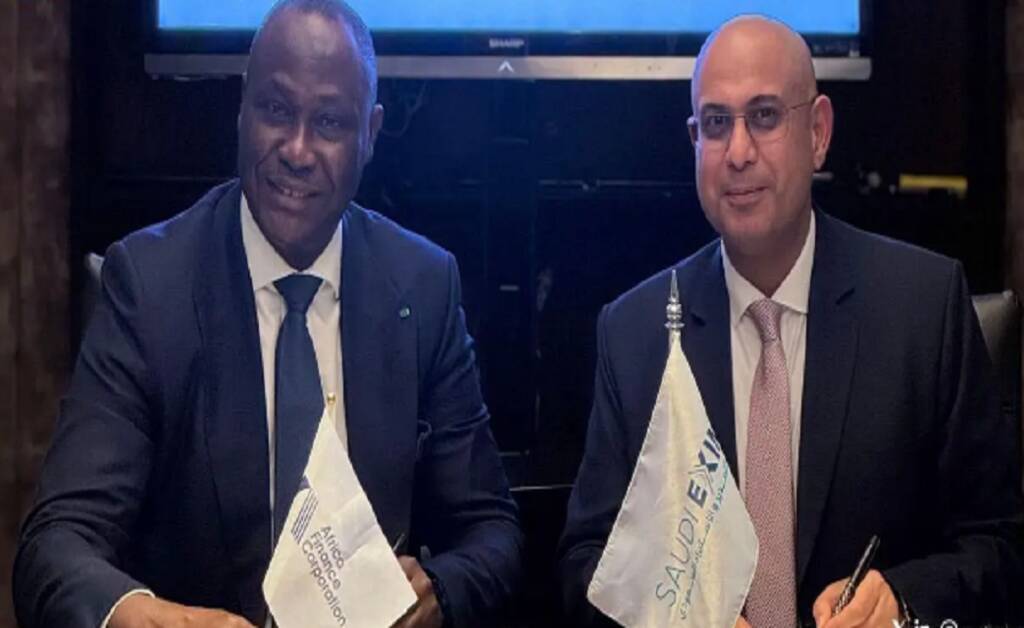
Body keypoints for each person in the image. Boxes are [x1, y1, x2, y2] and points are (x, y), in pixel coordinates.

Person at [13, 2, 522, 627]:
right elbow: (55, 547)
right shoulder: (150, 286)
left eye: (329, 122)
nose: (297, 150)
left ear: (370, 134)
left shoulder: (422, 284)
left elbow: (492, 532)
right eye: (277, 111)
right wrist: (155, 619)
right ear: (242, 108)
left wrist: (438, 590)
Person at [558, 15, 1023, 628]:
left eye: (765, 116)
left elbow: (1002, 548)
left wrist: (904, 601)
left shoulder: (923, 309)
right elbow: (586, 564)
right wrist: (681, 618)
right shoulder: (635, 332)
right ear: (694, 140)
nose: (738, 152)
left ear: (818, 132)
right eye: (716, 124)